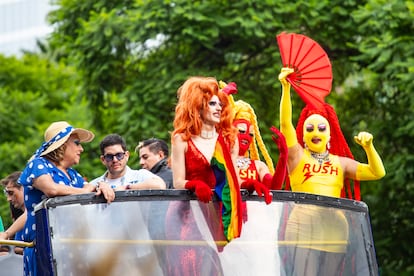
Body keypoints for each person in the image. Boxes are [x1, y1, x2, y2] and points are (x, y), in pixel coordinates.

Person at [278, 68, 386, 275]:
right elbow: (285, 124)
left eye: (321, 129)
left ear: (329, 135)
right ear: (302, 134)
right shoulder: (297, 156)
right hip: (303, 226)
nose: (316, 133)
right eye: (310, 129)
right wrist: (285, 88)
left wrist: (369, 147)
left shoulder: (341, 163)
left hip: (334, 229)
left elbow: (377, 172)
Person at [18, 121, 115, 276]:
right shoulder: (38, 164)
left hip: (72, 248)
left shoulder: (73, 174)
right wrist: (86, 189)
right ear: (61, 145)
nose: (81, 149)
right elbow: (52, 189)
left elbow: (88, 188)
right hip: (45, 249)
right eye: (76, 143)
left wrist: (101, 185)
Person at [90, 134, 166, 190]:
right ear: (103, 160)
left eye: (119, 155)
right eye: (109, 157)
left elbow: (160, 185)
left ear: (126, 155)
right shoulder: (95, 184)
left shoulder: (140, 175)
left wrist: (127, 187)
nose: (115, 160)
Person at [0, 171, 25, 255]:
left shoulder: (36, 215)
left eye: (11, 193)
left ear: (24, 188)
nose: (8, 199)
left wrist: (8, 249)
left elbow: (37, 251)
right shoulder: (19, 225)